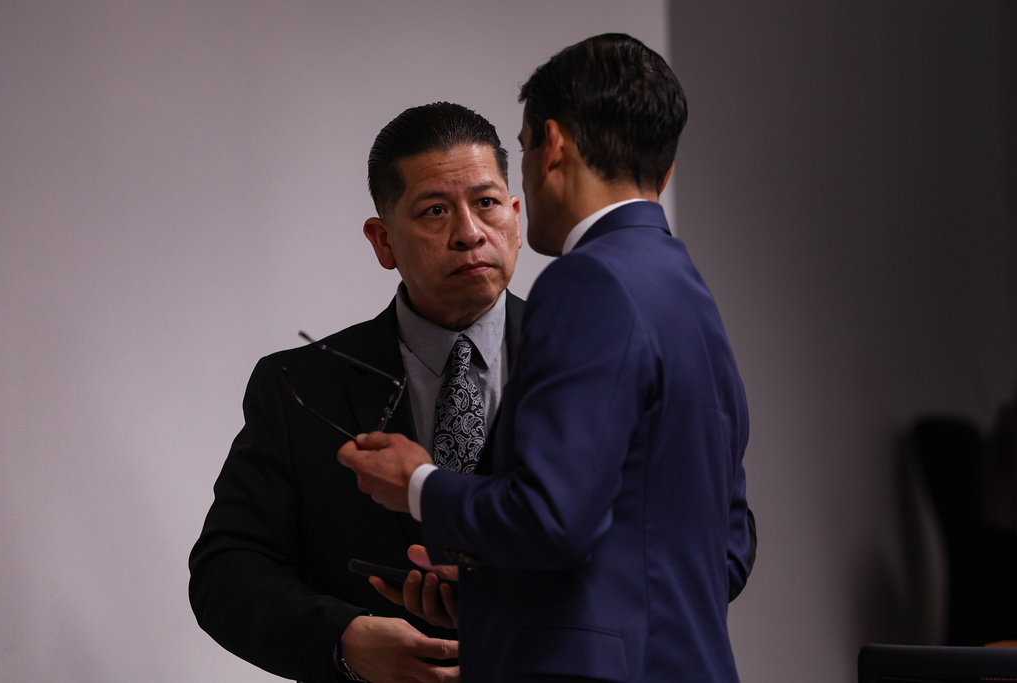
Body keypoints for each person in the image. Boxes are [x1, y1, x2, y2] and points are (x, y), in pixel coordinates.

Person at [338, 33, 755, 682]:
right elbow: (726, 545)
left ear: (551, 145)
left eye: (524, 148)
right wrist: (498, 587)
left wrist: (419, 484)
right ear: (664, 169)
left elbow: (554, 518)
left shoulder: (587, 281)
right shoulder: (690, 292)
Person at [189, 102, 524, 683]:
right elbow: (228, 571)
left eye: (487, 203)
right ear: (383, 240)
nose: (470, 233)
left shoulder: (600, 360)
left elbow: (712, 548)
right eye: (436, 211)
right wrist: (344, 640)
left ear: (515, 216)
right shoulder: (297, 386)